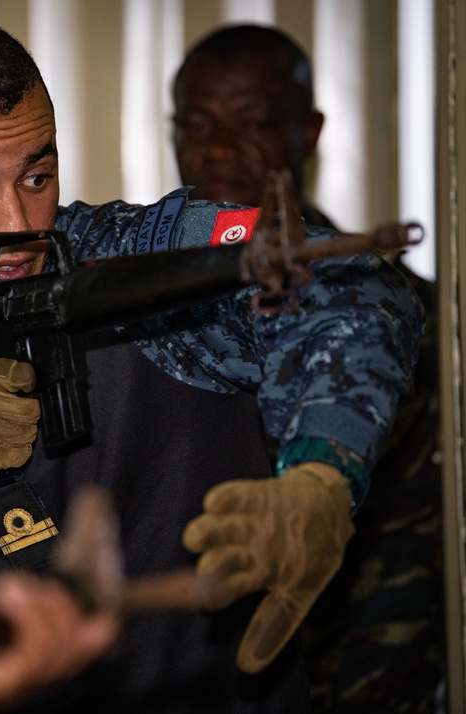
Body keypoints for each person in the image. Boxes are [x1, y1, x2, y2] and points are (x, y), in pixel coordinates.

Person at [0, 15, 423, 711]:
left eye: (37, 175)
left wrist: (321, 474)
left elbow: (354, 283)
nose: (16, 225)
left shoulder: (142, 261)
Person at [173, 25, 445, 711]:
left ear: (310, 131)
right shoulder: (154, 310)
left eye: (255, 123)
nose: (221, 151)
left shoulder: (382, 303)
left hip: (361, 666)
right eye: (196, 124)